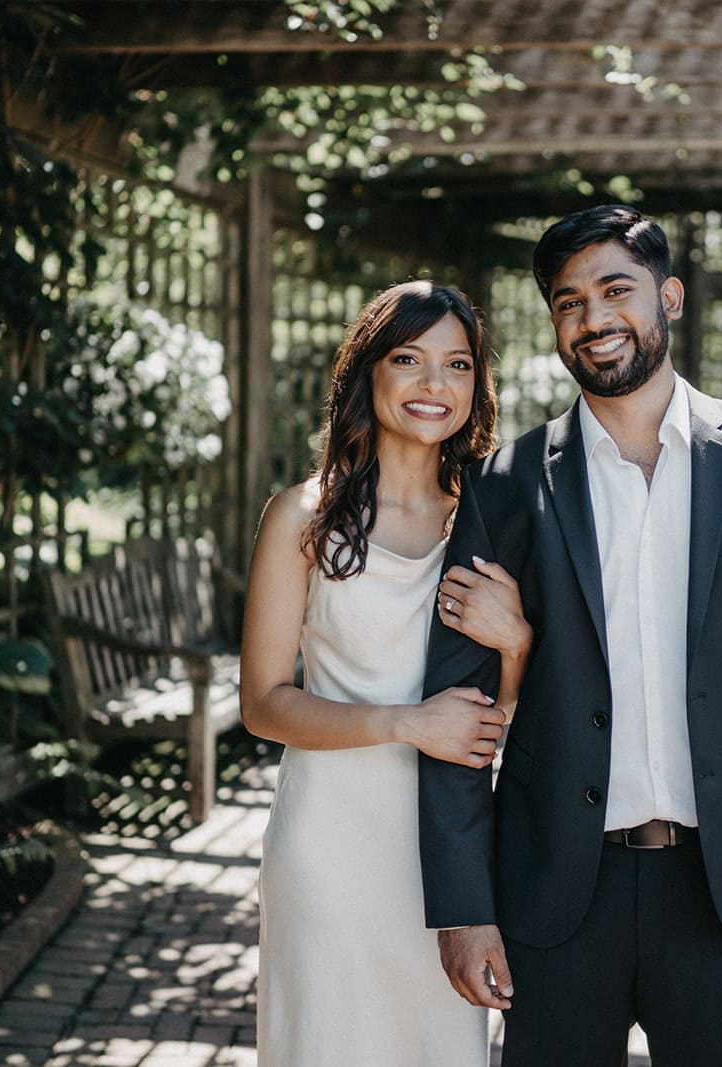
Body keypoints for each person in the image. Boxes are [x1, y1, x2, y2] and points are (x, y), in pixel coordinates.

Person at [420, 205, 722, 1066]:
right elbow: (457, 714)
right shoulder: (503, 485)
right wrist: (464, 906)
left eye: (614, 290)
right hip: (554, 890)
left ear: (670, 296)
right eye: (567, 302)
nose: (593, 319)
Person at [241, 281, 531, 1066]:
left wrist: (518, 644)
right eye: (410, 358)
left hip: (450, 852)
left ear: (478, 386)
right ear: (368, 372)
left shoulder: (496, 519)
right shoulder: (303, 517)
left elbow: (510, 718)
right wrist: (406, 722)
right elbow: (264, 704)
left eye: (458, 364)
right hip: (329, 845)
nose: (435, 385)